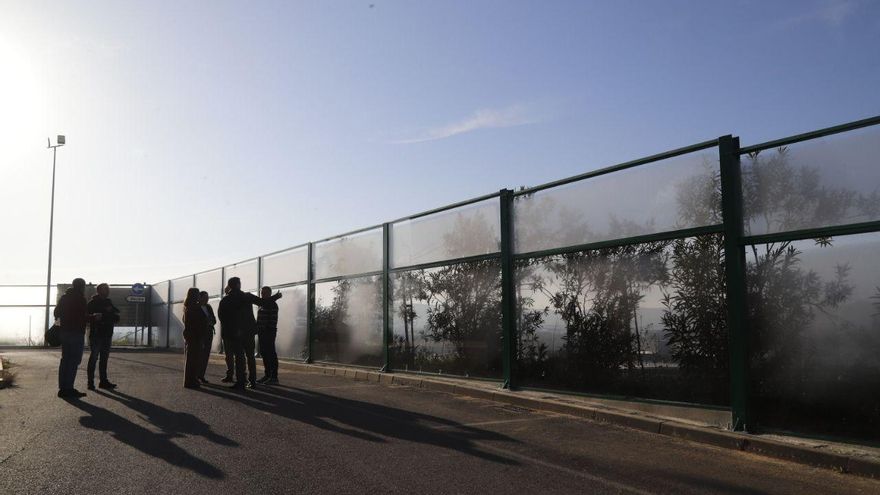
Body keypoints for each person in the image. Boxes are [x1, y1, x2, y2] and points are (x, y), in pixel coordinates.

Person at [217, 277, 280, 389]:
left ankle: (241, 381)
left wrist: (229, 332)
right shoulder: (247, 296)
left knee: (239, 357)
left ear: (230, 286)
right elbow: (262, 302)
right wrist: (275, 296)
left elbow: (221, 317)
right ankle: (253, 381)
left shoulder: (225, 300)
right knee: (251, 356)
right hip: (249, 332)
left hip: (235, 333)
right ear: (238, 285)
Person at [55, 278, 91, 398]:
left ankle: (62, 388)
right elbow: (82, 317)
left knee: (65, 359)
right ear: (82, 286)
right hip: (76, 332)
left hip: (64, 332)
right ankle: (69, 388)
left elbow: (56, 312)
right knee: (74, 360)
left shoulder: (64, 297)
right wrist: (93, 318)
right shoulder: (80, 298)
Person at [86, 283, 120, 390]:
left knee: (104, 359)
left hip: (107, 334)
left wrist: (104, 315)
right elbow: (89, 316)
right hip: (96, 334)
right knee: (94, 358)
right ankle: (90, 383)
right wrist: (107, 314)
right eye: (106, 289)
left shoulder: (108, 302)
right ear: (99, 290)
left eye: (108, 289)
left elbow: (116, 316)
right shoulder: (92, 303)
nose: (108, 291)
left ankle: (103, 382)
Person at [182, 287, 207, 389]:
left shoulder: (187, 306)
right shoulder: (196, 307)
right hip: (196, 336)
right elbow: (200, 322)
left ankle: (189, 380)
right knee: (194, 359)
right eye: (197, 294)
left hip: (190, 335)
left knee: (190, 359)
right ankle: (192, 381)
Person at [256, 286, 280, 385]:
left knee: (270, 353)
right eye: (262, 293)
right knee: (264, 353)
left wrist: (266, 330)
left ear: (269, 294)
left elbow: (272, 321)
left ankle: (274, 377)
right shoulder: (263, 304)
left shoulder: (272, 304)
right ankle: (267, 375)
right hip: (262, 332)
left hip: (268, 332)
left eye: (264, 293)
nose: (262, 295)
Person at [197, 291, 216, 384]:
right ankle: (196, 375)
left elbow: (214, 319)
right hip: (201, 334)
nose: (207, 299)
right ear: (199, 298)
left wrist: (210, 321)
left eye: (207, 297)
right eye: (205, 297)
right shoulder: (196, 308)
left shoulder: (208, 307)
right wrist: (206, 321)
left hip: (208, 333)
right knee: (199, 354)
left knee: (206, 355)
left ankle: (201, 375)